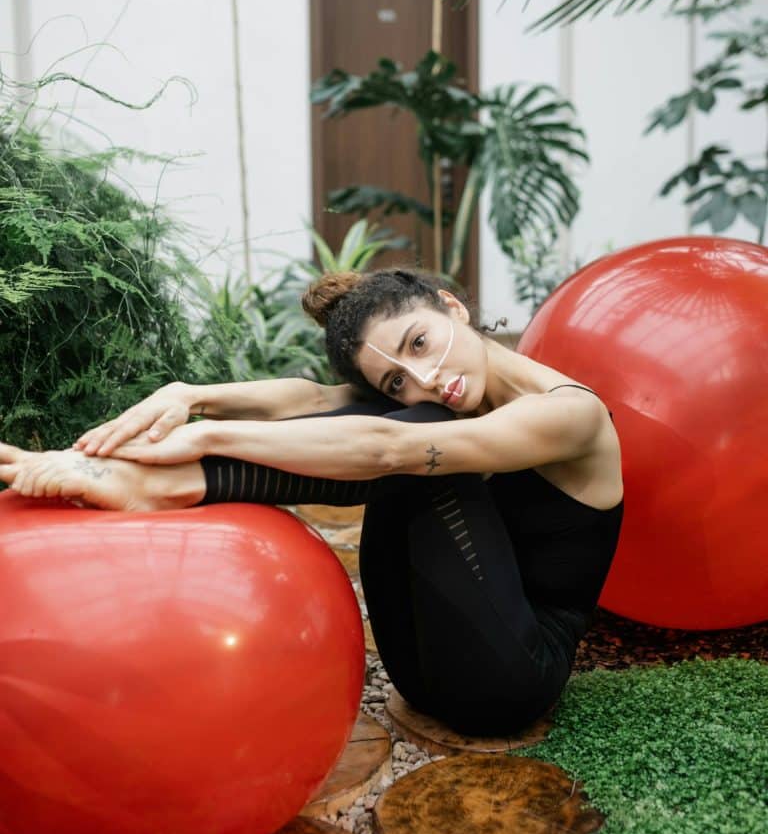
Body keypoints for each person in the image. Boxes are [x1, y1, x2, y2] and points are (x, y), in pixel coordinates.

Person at [0, 268, 623, 736]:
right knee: (398, 418)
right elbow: (311, 400)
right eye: (397, 376)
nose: (426, 375)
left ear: (452, 307)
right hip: (422, 668)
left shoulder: (572, 414)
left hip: (512, 678)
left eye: (419, 343)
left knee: (413, 440)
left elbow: (385, 448)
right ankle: (146, 481)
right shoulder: (447, 396)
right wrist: (188, 393)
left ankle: (162, 486)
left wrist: (208, 438)